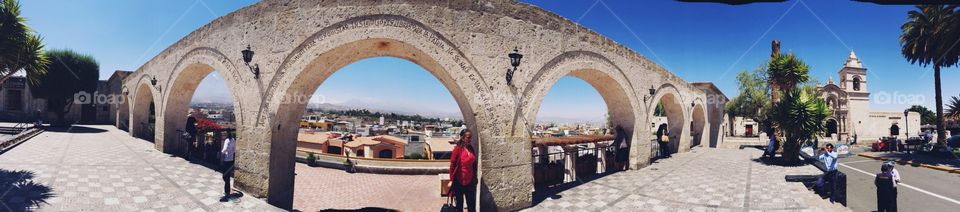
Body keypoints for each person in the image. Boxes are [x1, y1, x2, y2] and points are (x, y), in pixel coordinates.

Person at [448, 129, 478, 212]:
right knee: (459, 205)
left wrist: (475, 178)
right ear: (462, 137)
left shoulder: (470, 148)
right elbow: (452, 165)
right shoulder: (457, 149)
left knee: (471, 204)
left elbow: (474, 164)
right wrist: (451, 180)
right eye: (468, 137)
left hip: (470, 181)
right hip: (459, 181)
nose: (470, 139)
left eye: (470, 138)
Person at [219, 132, 236, 202]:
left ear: (226, 134)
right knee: (227, 176)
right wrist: (231, 153)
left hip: (226, 160)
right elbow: (234, 149)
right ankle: (227, 191)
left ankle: (227, 193)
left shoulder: (227, 140)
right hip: (231, 160)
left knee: (225, 176)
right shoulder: (233, 140)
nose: (223, 135)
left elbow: (225, 149)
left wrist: (222, 152)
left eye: (224, 134)